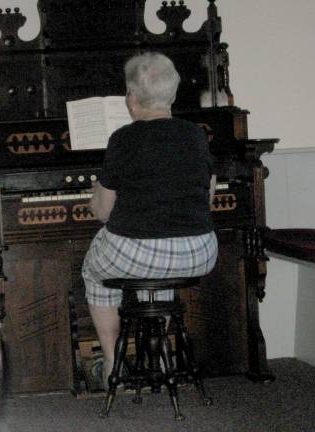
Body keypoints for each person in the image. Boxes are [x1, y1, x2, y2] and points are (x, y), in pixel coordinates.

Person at [82, 51, 218, 386]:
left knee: (94, 271)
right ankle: (159, 352)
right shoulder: (195, 135)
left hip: (139, 254)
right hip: (199, 252)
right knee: (158, 269)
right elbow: (208, 195)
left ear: (131, 99)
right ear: (172, 94)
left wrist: (94, 196)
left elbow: (102, 212)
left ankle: (114, 363)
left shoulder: (124, 139)